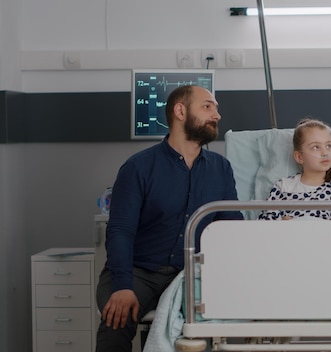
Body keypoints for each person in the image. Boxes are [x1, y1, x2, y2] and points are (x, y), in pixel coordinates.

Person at [95, 84, 244, 352]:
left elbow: (231, 229)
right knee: (114, 324)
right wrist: (122, 286)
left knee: (219, 325)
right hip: (139, 271)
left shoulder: (221, 169)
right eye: (207, 106)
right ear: (180, 111)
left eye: (216, 109)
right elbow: (120, 231)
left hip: (192, 273)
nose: (217, 115)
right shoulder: (138, 167)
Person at [258, 118, 331, 220]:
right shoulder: (284, 186)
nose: (325, 153)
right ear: (299, 157)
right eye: (316, 147)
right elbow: (265, 221)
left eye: (328, 146)